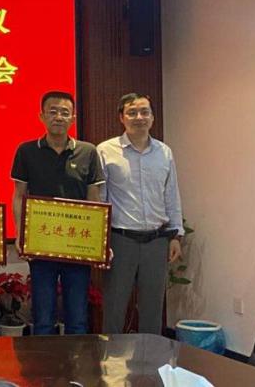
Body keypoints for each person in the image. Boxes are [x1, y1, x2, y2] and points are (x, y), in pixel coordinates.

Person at [11, 91, 103, 336]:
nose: (58, 117)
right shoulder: (27, 151)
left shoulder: (88, 152)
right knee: (43, 319)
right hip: (41, 244)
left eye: (64, 112)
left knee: (78, 319)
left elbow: (94, 198)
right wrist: (20, 234)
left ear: (73, 118)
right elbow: (19, 195)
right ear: (41, 116)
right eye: (52, 111)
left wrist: (98, 240)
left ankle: (76, 362)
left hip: (77, 247)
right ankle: (45, 363)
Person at [97, 93, 184, 334]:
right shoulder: (106, 151)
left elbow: (171, 195)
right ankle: (111, 358)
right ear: (121, 118)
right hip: (120, 240)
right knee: (114, 308)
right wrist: (101, 241)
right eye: (132, 112)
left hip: (156, 241)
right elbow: (100, 199)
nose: (139, 117)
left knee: (153, 310)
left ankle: (150, 358)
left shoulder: (164, 152)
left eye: (145, 112)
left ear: (152, 118)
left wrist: (175, 235)